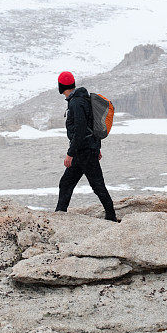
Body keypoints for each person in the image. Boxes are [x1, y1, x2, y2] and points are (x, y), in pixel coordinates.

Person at [55, 71, 119, 222]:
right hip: (85, 150)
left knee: (97, 186)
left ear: (61, 86)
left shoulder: (76, 103)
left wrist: (70, 153)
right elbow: (92, 125)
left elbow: (81, 130)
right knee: (67, 183)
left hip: (83, 152)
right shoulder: (82, 99)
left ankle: (111, 216)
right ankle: (59, 214)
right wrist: (97, 147)